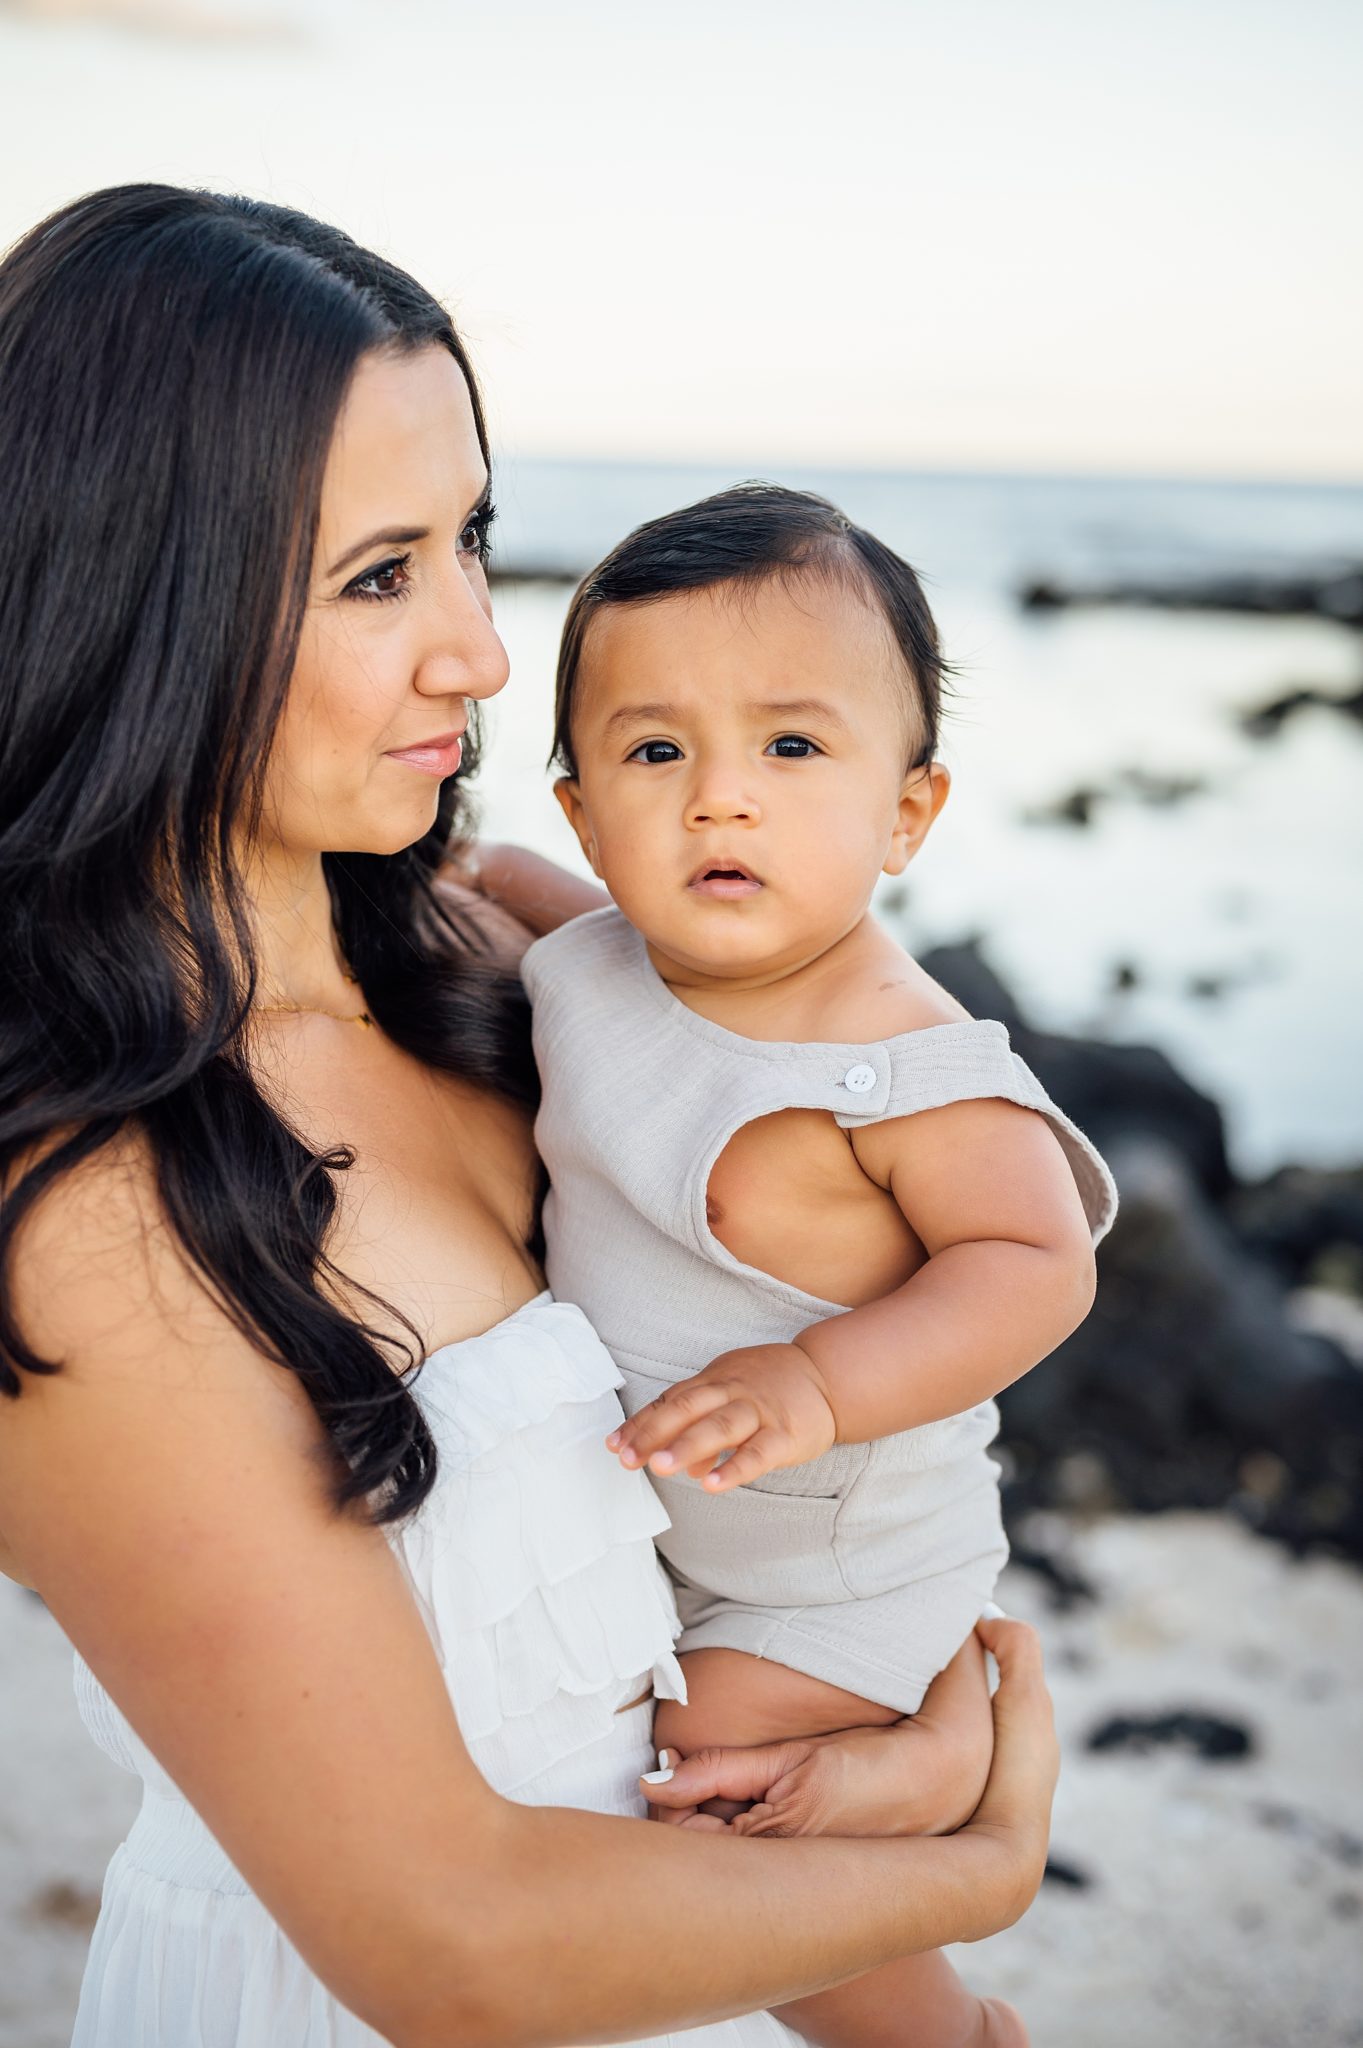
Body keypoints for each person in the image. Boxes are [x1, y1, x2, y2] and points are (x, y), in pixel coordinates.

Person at [0, 184, 1059, 2048]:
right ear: (138, 597)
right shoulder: (86, 1202)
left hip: (709, 1963)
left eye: (471, 538)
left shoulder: (517, 960)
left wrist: (936, 1982)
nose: (487, 652)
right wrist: (976, 1869)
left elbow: (690, 1652)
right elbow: (452, 1944)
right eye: (377, 573)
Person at [518, 485, 1117, 2047]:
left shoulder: (905, 1061)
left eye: (792, 747)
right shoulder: (590, 951)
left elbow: (1035, 1262)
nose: (722, 799)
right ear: (583, 812)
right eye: (658, 752)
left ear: (907, 812)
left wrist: (818, 1377)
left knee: (713, 1805)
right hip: (685, 1539)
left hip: (839, 1571)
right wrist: (455, 877)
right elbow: (543, 920)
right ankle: (917, 1773)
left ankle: (946, 2030)